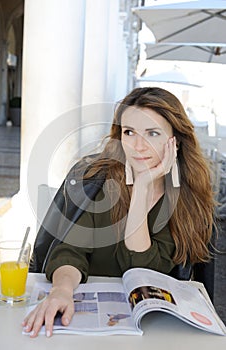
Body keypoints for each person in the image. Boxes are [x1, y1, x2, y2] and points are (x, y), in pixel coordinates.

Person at [23, 87, 216, 337]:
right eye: (129, 132)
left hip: (154, 330)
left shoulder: (187, 199)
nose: (138, 146)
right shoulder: (99, 183)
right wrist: (61, 290)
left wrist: (143, 186)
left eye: (152, 133)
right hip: (84, 324)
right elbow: (70, 252)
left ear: (175, 140)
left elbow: (143, 271)